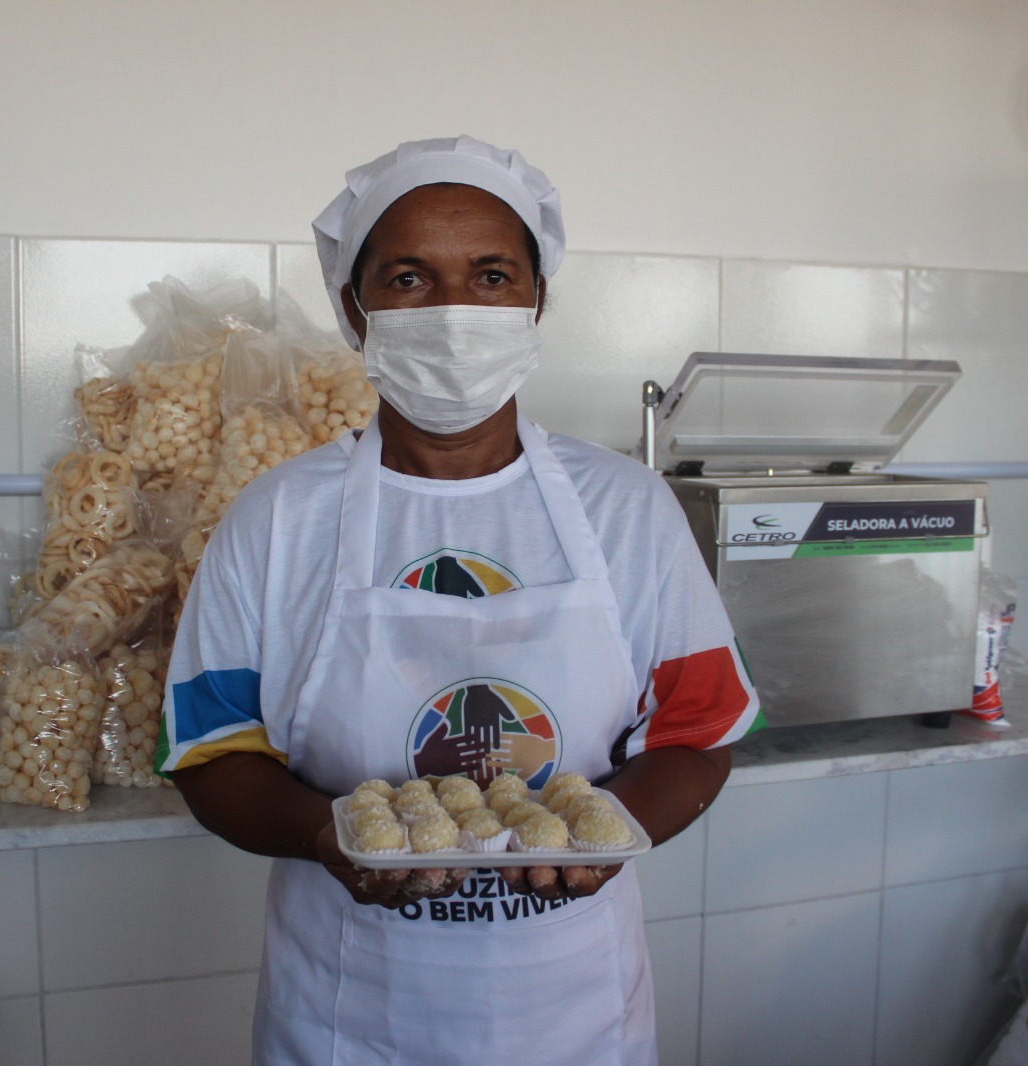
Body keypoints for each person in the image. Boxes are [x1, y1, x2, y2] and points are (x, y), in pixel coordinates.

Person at [159, 135, 761, 1065]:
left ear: (536, 300)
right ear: (355, 309)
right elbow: (211, 750)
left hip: (576, 1014)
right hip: (349, 1017)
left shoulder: (626, 507)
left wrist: (604, 833)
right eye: (407, 279)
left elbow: (698, 731)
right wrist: (327, 835)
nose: (452, 313)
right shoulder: (277, 518)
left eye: (490, 276)